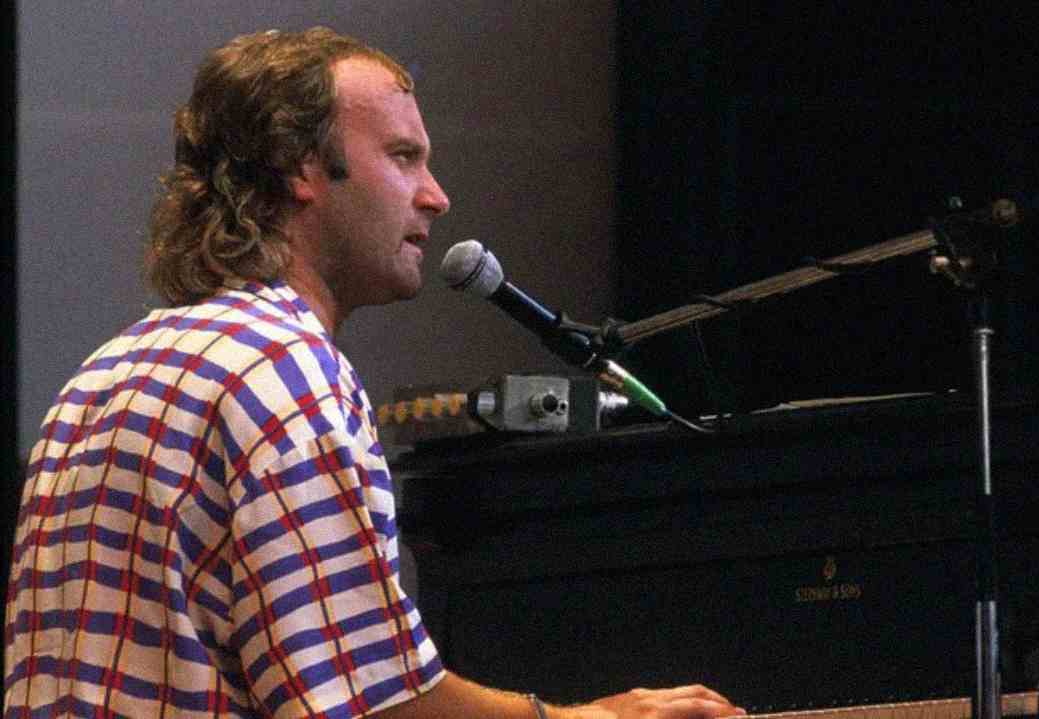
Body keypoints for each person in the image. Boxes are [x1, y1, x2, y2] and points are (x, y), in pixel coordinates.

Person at [4, 27, 745, 719]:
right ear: (299, 165)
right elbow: (372, 703)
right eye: (402, 156)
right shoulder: (285, 374)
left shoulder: (102, 374)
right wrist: (587, 716)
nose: (436, 195)